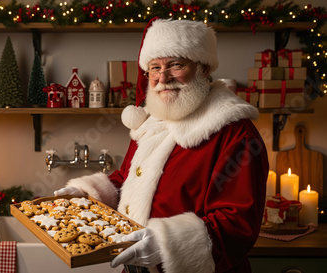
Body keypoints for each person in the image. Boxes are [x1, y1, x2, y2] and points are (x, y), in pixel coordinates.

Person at [55, 18, 269, 273]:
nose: (163, 77)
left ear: (203, 68)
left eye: (176, 64)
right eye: (154, 68)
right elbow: (127, 180)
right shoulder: (154, 121)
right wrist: (90, 196)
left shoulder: (234, 134)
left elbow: (238, 224)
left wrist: (167, 245)